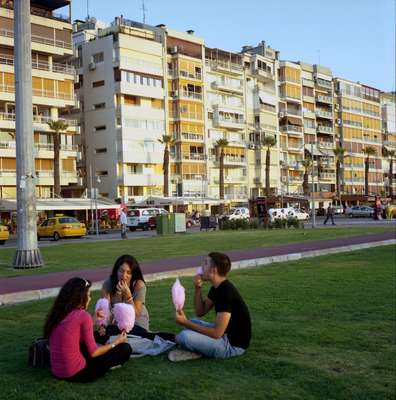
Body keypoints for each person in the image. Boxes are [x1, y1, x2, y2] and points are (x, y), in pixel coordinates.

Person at [43, 277, 131, 382]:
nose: (90, 299)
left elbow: (71, 335)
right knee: (125, 348)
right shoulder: (82, 315)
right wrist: (117, 342)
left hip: (57, 371)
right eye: (88, 295)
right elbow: (93, 352)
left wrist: (93, 319)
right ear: (80, 297)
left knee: (100, 335)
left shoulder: (58, 312)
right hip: (78, 373)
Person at [170, 252, 251, 361]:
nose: (201, 267)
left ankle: (190, 346)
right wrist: (197, 288)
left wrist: (185, 322)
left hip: (231, 345)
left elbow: (217, 333)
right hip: (224, 334)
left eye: (205, 263)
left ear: (214, 270)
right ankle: (196, 346)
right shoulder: (217, 288)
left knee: (185, 336)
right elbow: (200, 311)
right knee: (192, 323)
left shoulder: (225, 292)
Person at [96, 254, 175, 343]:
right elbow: (105, 312)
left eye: (128, 273)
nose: (124, 275)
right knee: (103, 333)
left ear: (133, 274)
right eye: (121, 271)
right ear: (116, 271)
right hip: (117, 325)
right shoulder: (108, 284)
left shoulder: (139, 285)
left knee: (116, 333)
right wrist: (102, 326)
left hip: (137, 324)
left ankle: (165, 337)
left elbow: (136, 315)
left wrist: (128, 296)